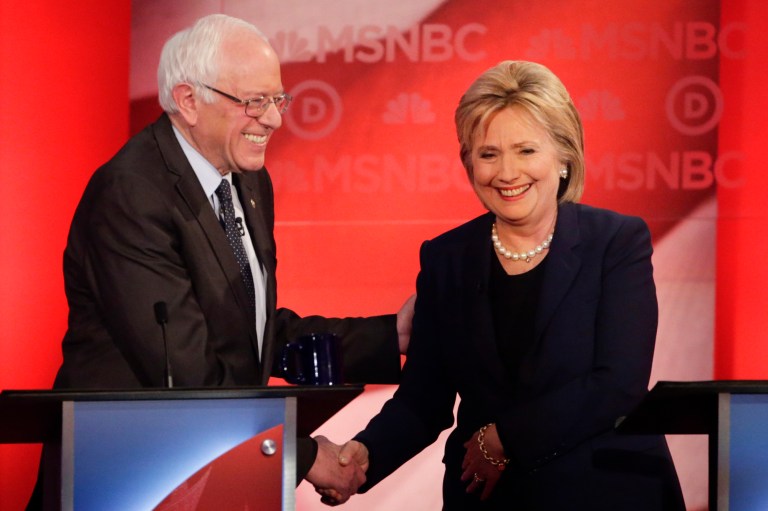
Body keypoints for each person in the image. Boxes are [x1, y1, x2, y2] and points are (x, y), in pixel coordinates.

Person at [27, 13, 414, 510]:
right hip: (129, 474)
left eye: (278, 99)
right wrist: (299, 453)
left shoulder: (246, 180)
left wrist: (389, 337)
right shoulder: (132, 193)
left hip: (215, 475)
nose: (274, 118)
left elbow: (246, 334)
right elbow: (184, 368)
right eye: (254, 102)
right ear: (189, 101)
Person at [314, 60, 686, 510]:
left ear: (564, 154)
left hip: (606, 491)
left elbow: (617, 385)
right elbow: (423, 400)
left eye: (526, 151)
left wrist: (505, 438)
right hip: (490, 500)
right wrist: (364, 457)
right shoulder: (446, 258)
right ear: (467, 161)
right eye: (488, 154)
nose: (507, 173)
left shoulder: (616, 242)